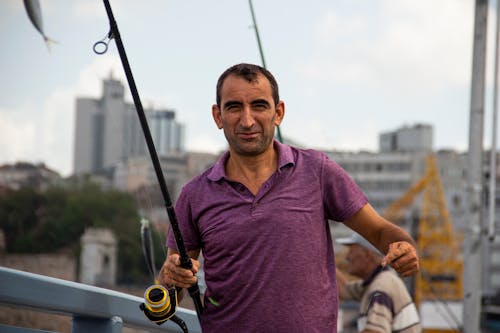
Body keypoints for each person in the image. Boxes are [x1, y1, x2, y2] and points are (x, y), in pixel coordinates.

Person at [159, 63, 419, 332]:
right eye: (234, 107)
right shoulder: (194, 195)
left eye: (259, 106)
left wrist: (403, 245)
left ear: (278, 112)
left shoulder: (318, 171)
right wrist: (169, 280)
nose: (247, 121)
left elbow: (379, 231)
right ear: (218, 116)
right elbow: (169, 295)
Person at [336, 232, 422, 333]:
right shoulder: (379, 281)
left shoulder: (380, 287)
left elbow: (374, 331)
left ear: (367, 254)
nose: (347, 257)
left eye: (351, 250)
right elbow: (344, 290)